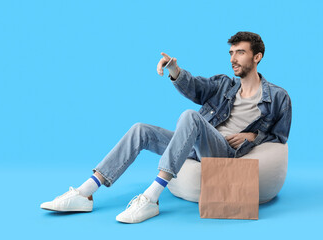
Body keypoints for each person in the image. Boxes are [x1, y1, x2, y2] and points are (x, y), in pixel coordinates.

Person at [40, 31, 292, 223]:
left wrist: (253, 135)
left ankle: (151, 198)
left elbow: (279, 137)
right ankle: (86, 193)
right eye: (231, 53)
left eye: (240, 52)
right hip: (193, 145)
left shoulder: (278, 96)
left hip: (225, 152)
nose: (233, 58)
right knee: (141, 129)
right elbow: (197, 88)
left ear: (257, 57)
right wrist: (175, 70)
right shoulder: (225, 84)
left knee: (191, 118)